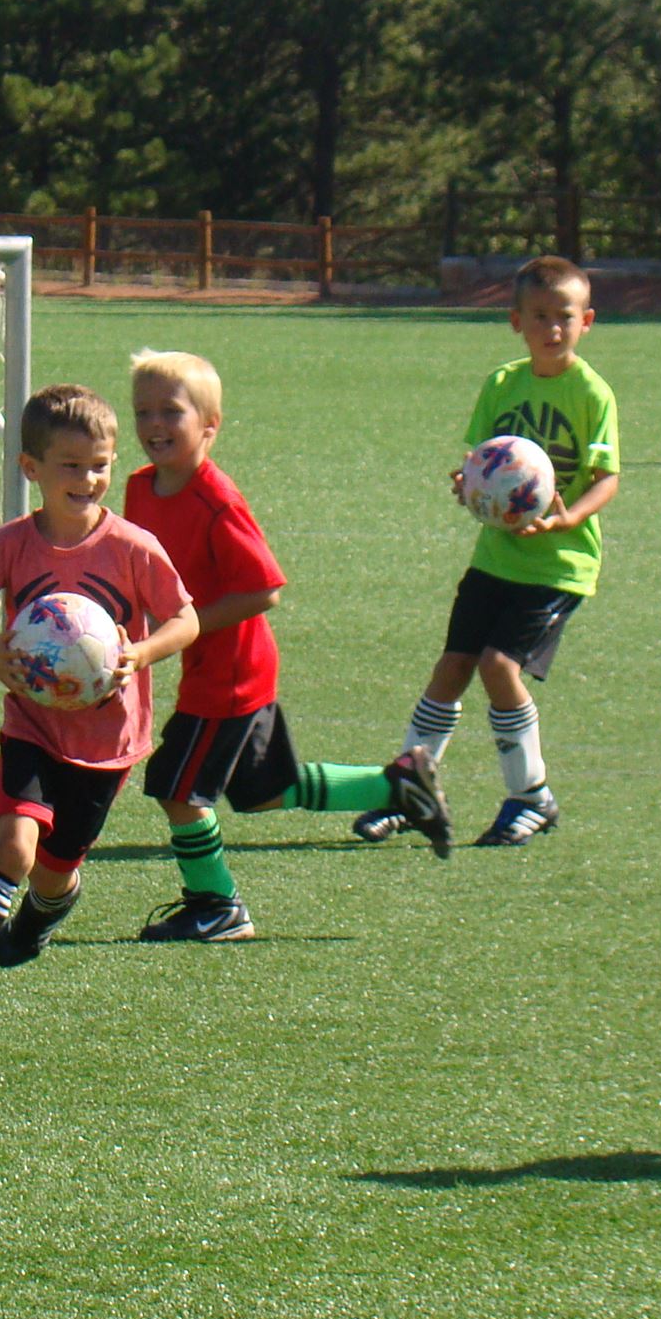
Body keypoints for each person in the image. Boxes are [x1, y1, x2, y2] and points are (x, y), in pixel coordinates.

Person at [120, 349, 452, 942]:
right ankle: (395, 785)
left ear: (210, 425)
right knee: (261, 791)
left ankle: (217, 906)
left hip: (231, 673)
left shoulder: (217, 500)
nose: (154, 425)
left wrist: (184, 626)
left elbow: (264, 589)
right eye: (143, 412)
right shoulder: (140, 489)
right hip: (214, 665)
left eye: (171, 411)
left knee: (175, 786)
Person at [0, 384, 197, 1052]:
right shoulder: (10, 545)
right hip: (32, 727)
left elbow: (184, 619)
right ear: (31, 469)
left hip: (107, 744)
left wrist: (139, 653)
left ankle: (48, 907)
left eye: (99, 465)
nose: (88, 478)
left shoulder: (133, 546)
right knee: (14, 847)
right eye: (71, 465)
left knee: (51, 872)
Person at [354, 255, 619, 849]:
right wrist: (469, 487)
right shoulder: (502, 384)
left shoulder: (592, 393)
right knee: (452, 666)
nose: (553, 327)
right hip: (495, 559)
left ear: (587, 321)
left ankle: (532, 796)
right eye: (539, 316)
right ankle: (411, 789)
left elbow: (607, 478)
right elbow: (481, 462)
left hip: (558, 564)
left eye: (565, 316)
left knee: (500, 667)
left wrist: (568, 518)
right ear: (516, 321)